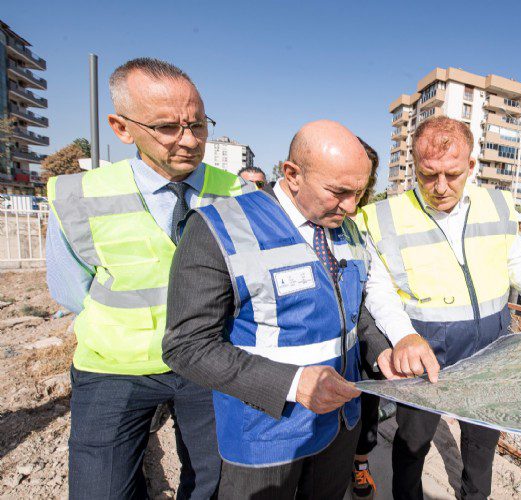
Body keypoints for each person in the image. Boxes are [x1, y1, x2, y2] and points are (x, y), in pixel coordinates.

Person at [45, 58, 253, 499]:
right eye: (168, 128)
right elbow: (70, 289)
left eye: (198, 125)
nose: (190, 140)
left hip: (210, 361)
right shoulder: (79, 195)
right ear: (122, 128)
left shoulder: (240, 192)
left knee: (214, 484)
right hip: (114, 368)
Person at [359, 116, 521, 500]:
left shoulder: (497, 205)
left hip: (491, 347)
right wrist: (405, 336)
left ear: (472, 167)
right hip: (424, 348)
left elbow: (518, 265)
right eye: (429, 175)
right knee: (412, 442)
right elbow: (378, 290)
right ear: (415, 165)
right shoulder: (384, 217)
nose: (440, 187)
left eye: (452, 173)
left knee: (482, 440)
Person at [162, 120, 381, 499]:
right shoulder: (218, 228)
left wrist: (386, 350)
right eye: (339, 192)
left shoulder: (346, 225)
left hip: (340, 424)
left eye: (359, 193)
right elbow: (186, 346)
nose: (351, 206)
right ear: (293, 174)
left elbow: (354, 308)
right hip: (265, 436)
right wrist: (294, 384)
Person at [350, 137, 382, 500]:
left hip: (369, 326)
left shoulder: (370, 220)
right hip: (334, 330)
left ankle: (360, 464)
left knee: (369, 399)